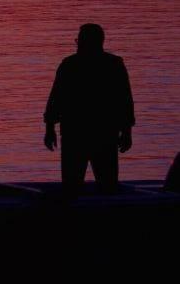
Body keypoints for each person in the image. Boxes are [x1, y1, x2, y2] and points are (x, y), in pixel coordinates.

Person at [43, 23, 134, 194]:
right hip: (102, 132)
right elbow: (125, 101)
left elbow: (56, 98)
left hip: (77, 133)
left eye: (79, 40)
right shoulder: (113, 64)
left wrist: (49, 128)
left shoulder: (70, 65)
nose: (77, 44)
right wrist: (127, 131)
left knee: (73, 184)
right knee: (106, 184)